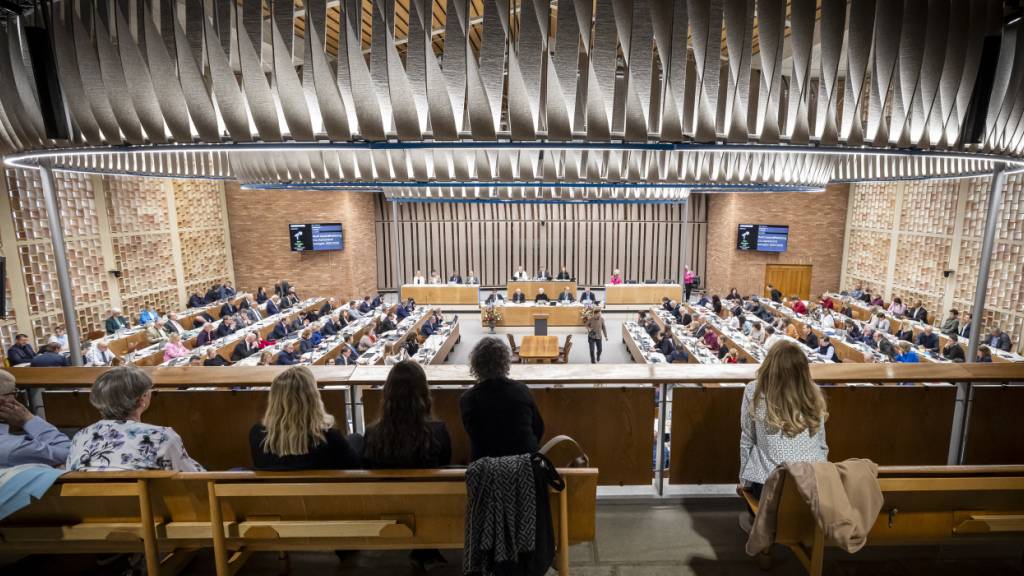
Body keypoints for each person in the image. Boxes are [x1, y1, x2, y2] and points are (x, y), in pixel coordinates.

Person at [66, 367, 203, 471]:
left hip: (92, 508)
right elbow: (196, 481)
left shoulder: (80, 437)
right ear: (142, 399)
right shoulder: (161, 437)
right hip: (147, 508)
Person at [739, 342, 828, 500]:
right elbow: (822, 445)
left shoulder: (754, 390)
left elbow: (747, 439)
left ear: (769, 364)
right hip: (813, 484)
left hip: (770, 485)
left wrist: (743, 482)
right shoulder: (813, 391)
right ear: (803, 369)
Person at [250, 366, 360, 470]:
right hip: (321, 489)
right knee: (356, 438)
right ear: (313, 397)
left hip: (273, 489)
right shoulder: (328, 435)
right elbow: (355, 467)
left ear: (274, 399)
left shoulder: (257, 433)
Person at [460, 338, 544, 460]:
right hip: (525, 466)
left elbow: (474, 436)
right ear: (505, 363)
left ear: (475, 364)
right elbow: (539, 428)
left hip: (486, 469)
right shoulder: (522, 390)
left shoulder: (468, 399)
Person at [0, 371, 71, 466]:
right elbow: (71, 453)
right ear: (4, 401)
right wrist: (28, 419)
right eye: (15, 392)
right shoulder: (14, 448)